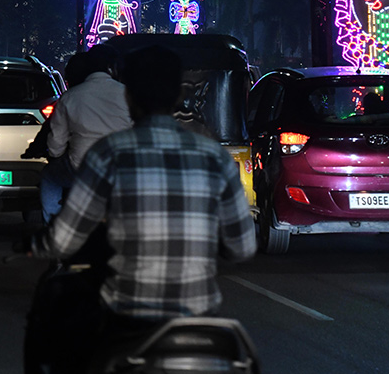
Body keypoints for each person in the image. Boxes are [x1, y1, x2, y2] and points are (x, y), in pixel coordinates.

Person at [34, 45, 256, 367]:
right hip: (201, 322)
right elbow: (242, 247)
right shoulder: (215, 159)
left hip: (126, 322)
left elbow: (64, 240)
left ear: (130, 97)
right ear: (178, 96)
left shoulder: (106, 155)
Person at [40, 43, 132, 223]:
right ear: (112, 68)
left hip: (81, 169)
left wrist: (55, 155)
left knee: (49, 177)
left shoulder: (70, 97)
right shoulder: (129, 94)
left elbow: (56, 144)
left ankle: (52, 227)